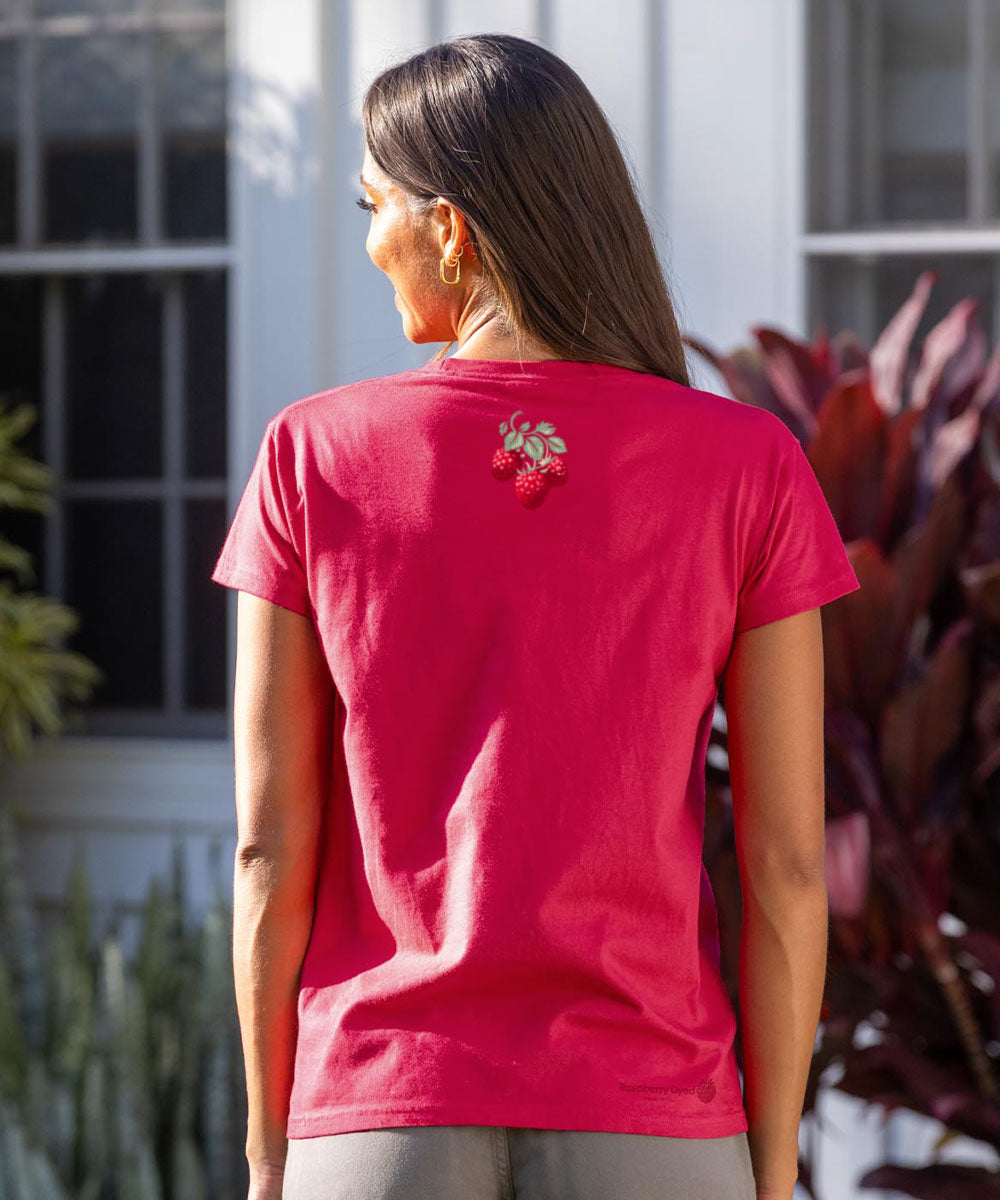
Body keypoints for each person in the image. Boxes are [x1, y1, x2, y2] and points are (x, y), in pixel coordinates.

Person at [210, 32, 860, 1200]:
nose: (369, 242)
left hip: (379, 1112)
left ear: (450, 229)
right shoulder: (746, 465)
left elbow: (268, 843)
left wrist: (270, 1149)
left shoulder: (312, 455)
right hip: (656, 1119)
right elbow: (785, 864)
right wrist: (768, 1167)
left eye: (375, 206)